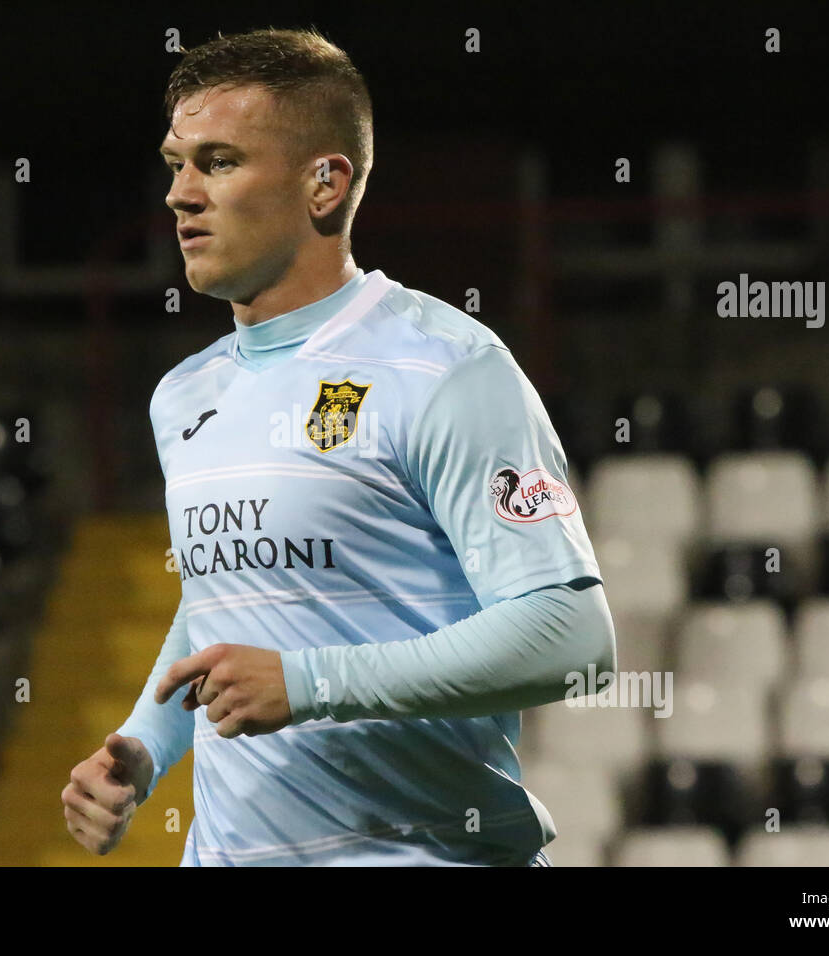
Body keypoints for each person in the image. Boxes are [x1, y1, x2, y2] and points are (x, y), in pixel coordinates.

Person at [61, 26, 615, 866]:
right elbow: (231, 596)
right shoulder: (184, 396)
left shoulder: (445, 367)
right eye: (176, 162)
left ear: (326, 183)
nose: (180, 194)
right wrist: (142, 747)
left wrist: (312, 684)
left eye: (217, 162)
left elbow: (574, 639)